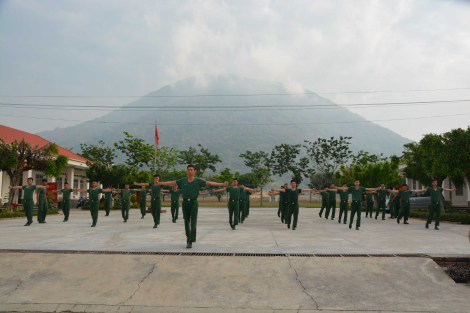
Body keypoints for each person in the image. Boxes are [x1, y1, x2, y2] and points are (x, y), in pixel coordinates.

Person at [154, 164, 228, 248]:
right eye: (188, 169)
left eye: (191, 170)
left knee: (193, 221)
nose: (190, 171)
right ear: (187, 171)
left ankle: (191, 240)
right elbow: (171, 182)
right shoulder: (183, 180)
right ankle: (188, 236)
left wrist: (222, 183)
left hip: (194, 202)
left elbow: (209, 182)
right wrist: (159, 183)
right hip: (185, 202)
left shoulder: (198, 181)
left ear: (194, 171)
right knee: (186, 220)